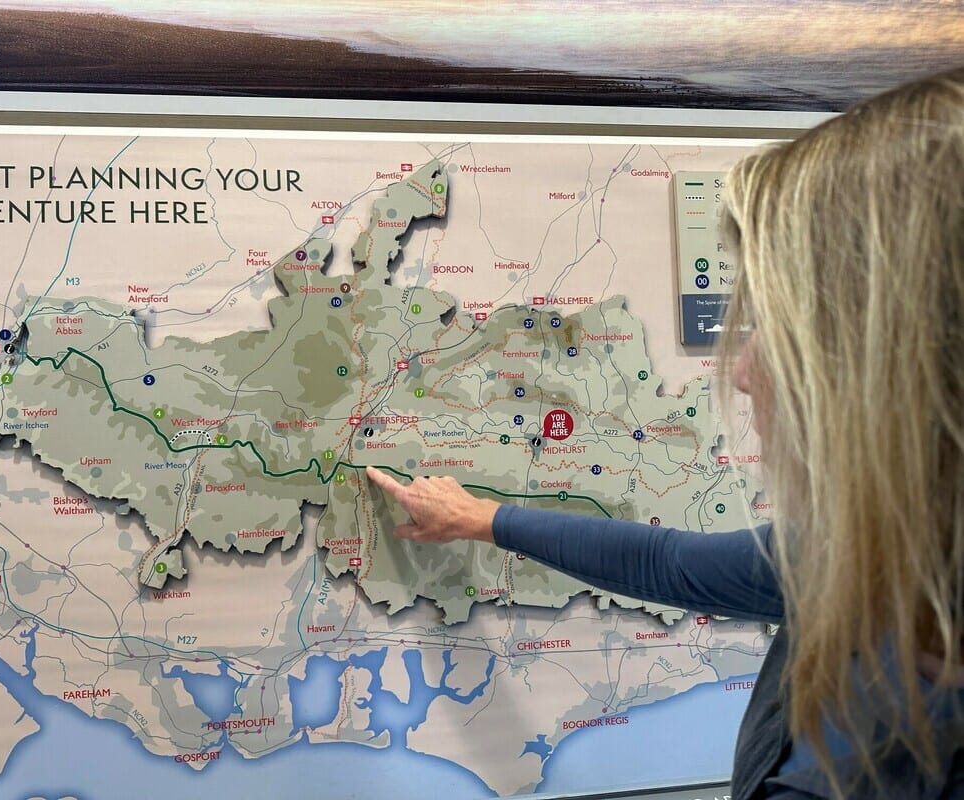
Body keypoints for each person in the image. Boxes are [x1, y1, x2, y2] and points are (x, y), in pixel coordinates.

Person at [366, 67, 964, 799]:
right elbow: (670, 563)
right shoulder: (888, 560)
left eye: (779, 327)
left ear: (902, 368)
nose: (743, 372)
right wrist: (484, 519)